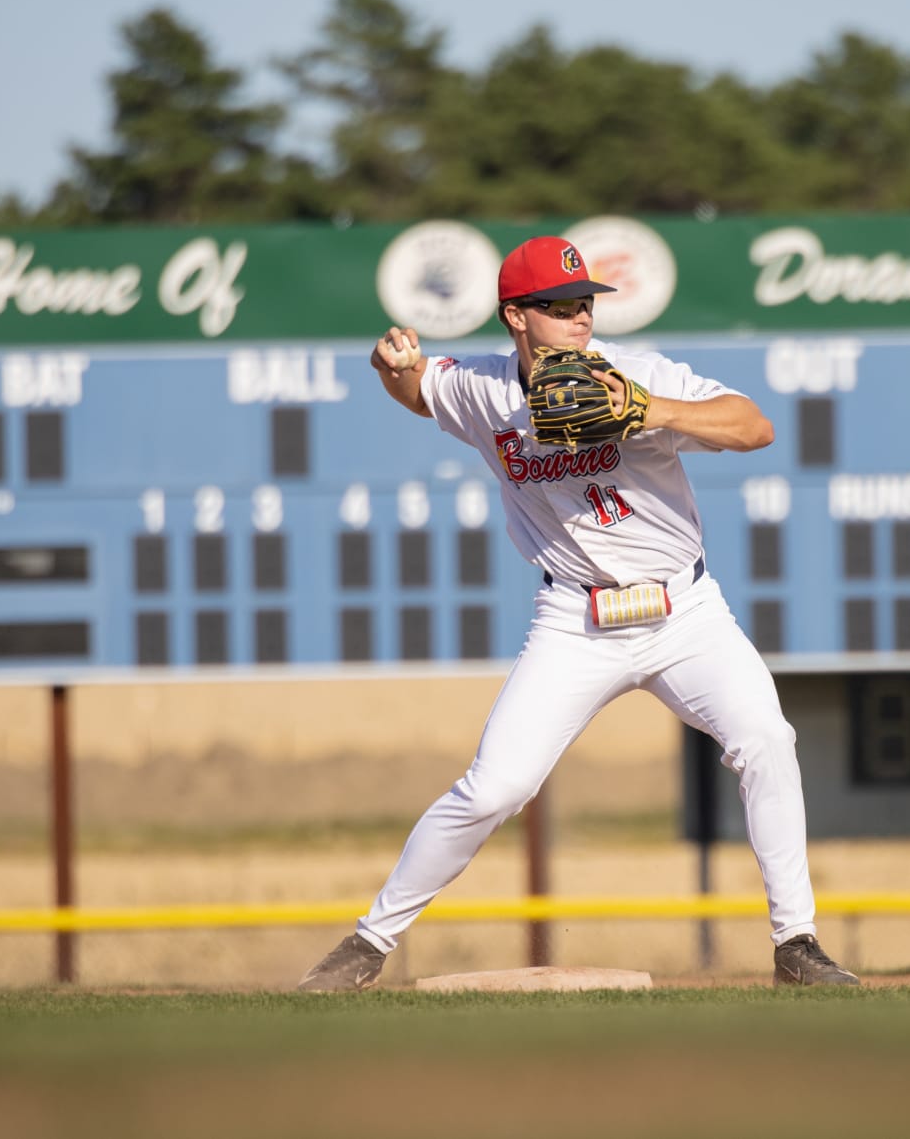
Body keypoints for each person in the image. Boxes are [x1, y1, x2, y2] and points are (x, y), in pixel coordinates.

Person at [296, 235, 858, 990]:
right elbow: (421, 389)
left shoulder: (634, 374)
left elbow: (754, 426)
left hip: (685, 613)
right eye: (559, 307)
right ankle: (367, 945)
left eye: (585, 303)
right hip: (575, 620)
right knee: (495, 787)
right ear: (516, 317)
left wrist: (648, 409)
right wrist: (390, 369)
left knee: (766, 740)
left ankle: (797, 944)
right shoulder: (484, 388)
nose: (580, 318)